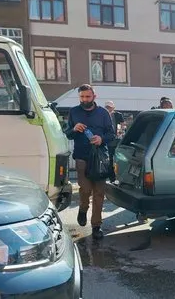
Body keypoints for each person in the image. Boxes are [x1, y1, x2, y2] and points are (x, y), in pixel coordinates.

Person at [64, 84, 116, 240]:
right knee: (85, 189)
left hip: (100, 157)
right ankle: (83, 208)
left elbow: (111, 134)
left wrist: (101, 139)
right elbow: (68, 134)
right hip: (82, 156)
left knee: (99, 193)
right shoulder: (74, 112)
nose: (84, 100)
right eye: (82, 97)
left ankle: (96, 226)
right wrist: (74, 129)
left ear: (94, 96)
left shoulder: (103, 113)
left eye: (87, 96)